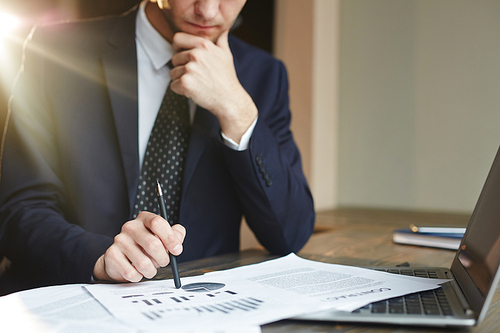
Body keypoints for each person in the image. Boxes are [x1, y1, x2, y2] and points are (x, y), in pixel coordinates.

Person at [0, 0, 315, 293]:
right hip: (64, 304)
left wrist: (236, 109)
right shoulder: (54, 51)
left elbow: (290, 234)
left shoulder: (264, 75)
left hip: (199, 314)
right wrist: (96, 257)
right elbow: (18, 210)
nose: (207, 10)